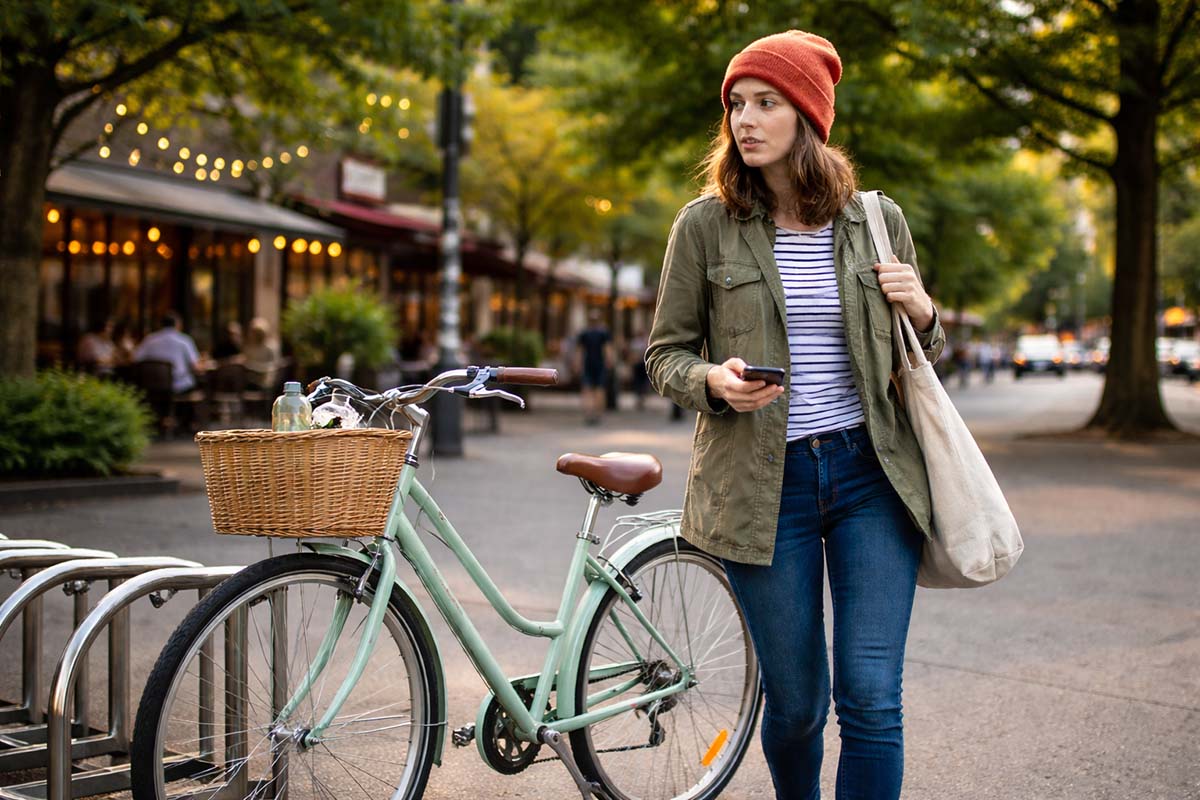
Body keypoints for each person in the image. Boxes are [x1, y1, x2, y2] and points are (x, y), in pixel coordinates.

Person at [645, 30, 946, 800]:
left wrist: (926, 310)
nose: (745, 119)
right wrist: (713, 378)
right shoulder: (703, 226)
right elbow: (664, 355)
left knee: (872, 696)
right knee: (798, 705)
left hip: (870, 475)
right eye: (737, 105)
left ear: (807, 116)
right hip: (758, 488)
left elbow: (916, 357)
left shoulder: (875, 221)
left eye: (766, 103)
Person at [134, 311, 201, 394]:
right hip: (179, 386)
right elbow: (196, 366)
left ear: (160, 324)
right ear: (178, 324)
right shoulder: (184, 340)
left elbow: (136, 358)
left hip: (152, 386)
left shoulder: (149, 339)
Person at [575, 309, 612, 425]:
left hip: (588, 364)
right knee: (599, 390)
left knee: (587, 390)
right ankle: (597, 413)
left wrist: (577, 364)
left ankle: (588, 413)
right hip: (599, 364)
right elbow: (607, 350)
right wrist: (609, 362)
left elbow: (579, 351)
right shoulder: (603, 332)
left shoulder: (584, 333)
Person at [242, 317, 280, 390]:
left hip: (265, 379)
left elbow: (274, 365)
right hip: (250, 379)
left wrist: (253, 366)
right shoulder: (250, 347)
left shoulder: (270, 347)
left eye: (256, 333)